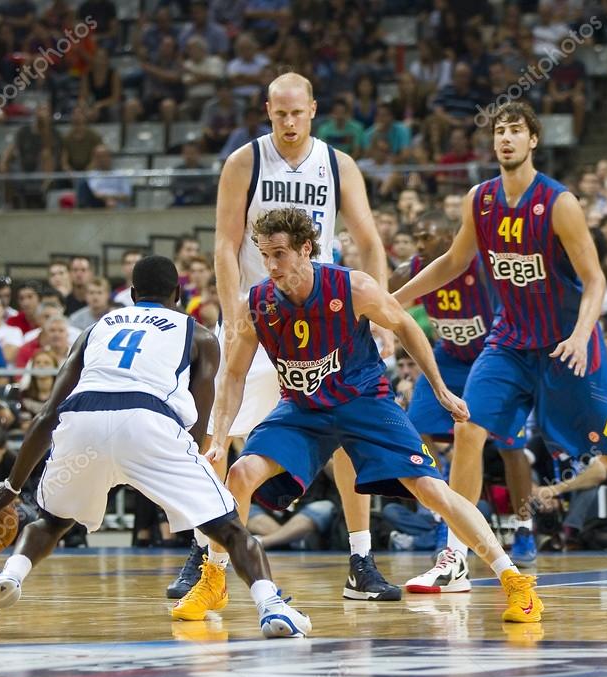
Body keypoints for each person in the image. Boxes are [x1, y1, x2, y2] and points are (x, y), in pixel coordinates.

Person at [394, 101, 607, 588]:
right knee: (468, 429)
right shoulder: (479, 200)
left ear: (533, 141)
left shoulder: (559, 203)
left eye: (515, 131)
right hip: (508, 343)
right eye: (499, 131)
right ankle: (453, 554)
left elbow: (595, 281)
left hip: (569, 345)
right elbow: (453, 262)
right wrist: (390, 300)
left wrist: (583, 334)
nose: (505, 139)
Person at [181, 207, 541, 623]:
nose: (271, 265)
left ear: (305, 249)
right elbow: (234, 374)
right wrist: (222, 436)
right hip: (303, 408)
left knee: (431, 489)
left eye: (279, 254)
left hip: (364, 403)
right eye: (264, 255)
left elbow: (406, 325)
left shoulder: (353, 287)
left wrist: (440, 388)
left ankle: (514, 581)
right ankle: (214, 580)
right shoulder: (257, 303)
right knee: (240, 474)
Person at [0, 256, 311, 639]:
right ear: (177, 294)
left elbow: (48, 414)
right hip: (148, 421)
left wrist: (10, 486)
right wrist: (174, 476)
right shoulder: (198, 333)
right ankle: (271, 606)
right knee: (231, 530)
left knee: (51, 522)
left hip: (82, 420)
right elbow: (198, 425)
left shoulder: (94, 329)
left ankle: (10, 575)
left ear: (133, 295)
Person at [168, 72, 399, 604]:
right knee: (219, 435)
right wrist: (232, 313)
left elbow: (367, 239)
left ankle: (360, 560)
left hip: (328, 319)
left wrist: (381, 313)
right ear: (267, 112)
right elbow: (225, 246)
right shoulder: (244, 162)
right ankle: (208, 557)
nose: (289, 123)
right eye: (279, 114)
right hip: (260, 316)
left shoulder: (337, 165)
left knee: (348, 438)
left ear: (313, 110)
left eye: (297, 113)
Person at [390, 209, 537, 572]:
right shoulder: (410, 272)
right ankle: (446, 518)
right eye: (417, 238)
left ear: (452, 237)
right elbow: (384, 304)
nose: (420, 244)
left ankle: (524, 527)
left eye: (427, 236)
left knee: (511, 447)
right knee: (413, 431)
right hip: (449, 358)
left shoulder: (481, 268)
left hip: (492, 359)